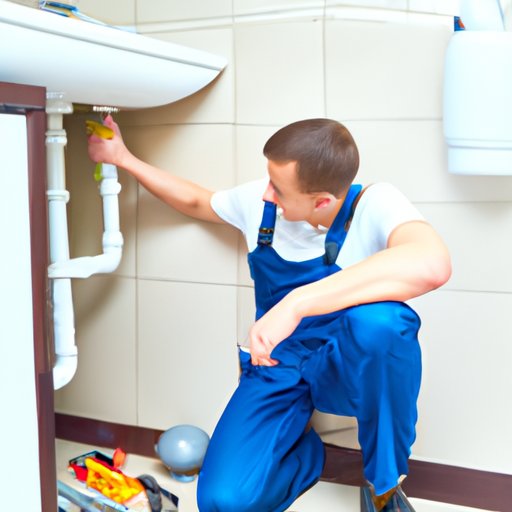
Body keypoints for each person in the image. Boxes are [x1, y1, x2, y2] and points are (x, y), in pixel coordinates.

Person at [88, 117, 451, 512]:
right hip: (278, 363)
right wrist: (123, 158)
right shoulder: (262, 205)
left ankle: (383, 484)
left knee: (383, 324)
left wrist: (296, 304)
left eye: (278, 188)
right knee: (223, 502)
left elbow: (432, 263)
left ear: (321, 201)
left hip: (344, 364)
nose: (266, 193)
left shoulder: (374, 204)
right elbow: (198, 201)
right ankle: (304, 453)